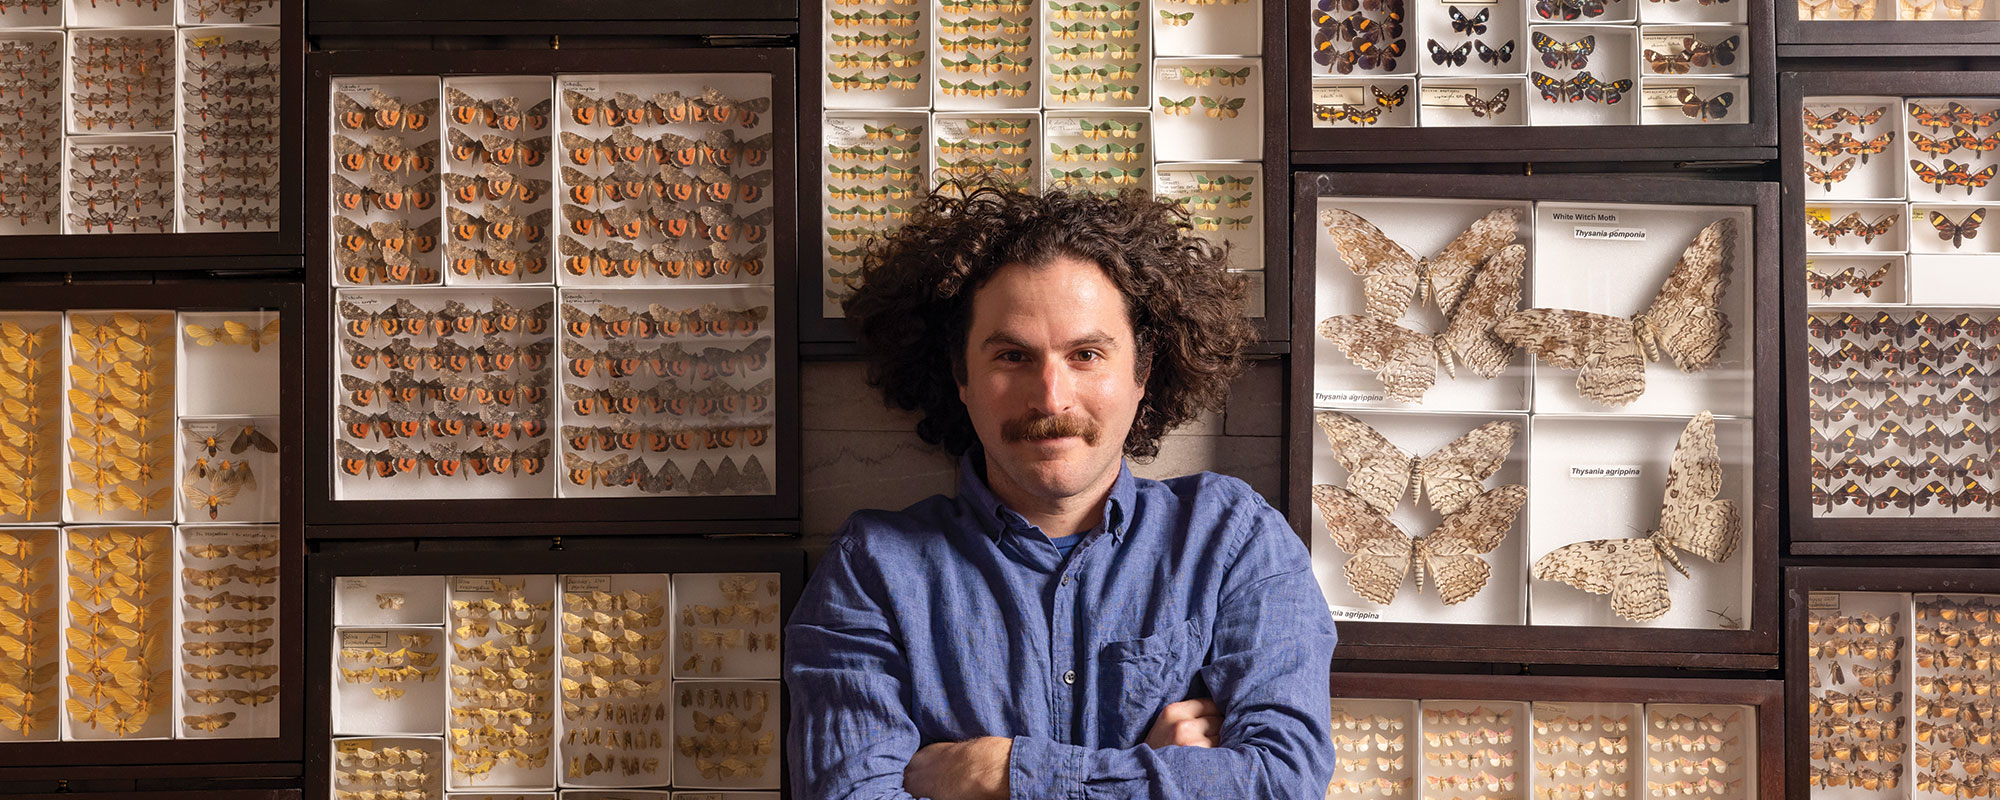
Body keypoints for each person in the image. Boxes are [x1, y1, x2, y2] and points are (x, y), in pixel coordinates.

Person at [785, 181, 1338, 799]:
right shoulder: (872, 570)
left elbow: (1283, 782)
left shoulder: (1232, 540)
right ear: (960, 375)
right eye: (1014, 356)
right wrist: (1149, 774)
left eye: (1086, 354)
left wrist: (998, 773)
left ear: (1143, 370)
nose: (1050, 396)